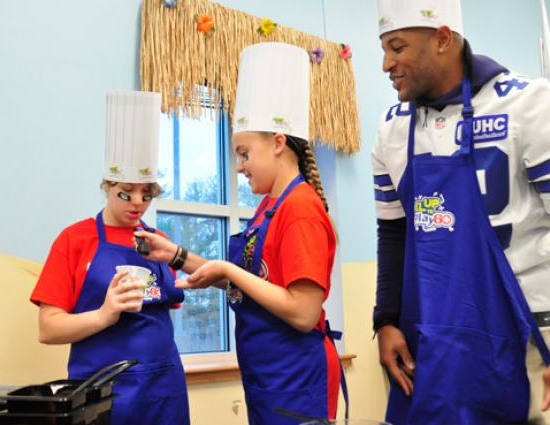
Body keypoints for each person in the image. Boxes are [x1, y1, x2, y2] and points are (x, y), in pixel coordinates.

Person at [370, 1, 550, 424]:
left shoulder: (526, 103)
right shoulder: (391, 129)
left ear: (443, 38)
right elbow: (393, 234)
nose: (386, 64)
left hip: (527, 339)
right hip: (433, 339)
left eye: (397, 47)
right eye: (384, 49)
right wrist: (386, 320)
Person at [136, 42, 343, 424]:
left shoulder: (300, 210)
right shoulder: (269, 207)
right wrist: (175, 255)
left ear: (278, 143)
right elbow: (252, 281)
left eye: (245, 154)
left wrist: (230, 272)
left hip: (296, 375)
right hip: (269, 375)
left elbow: (302, 311)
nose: (239, 167)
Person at [30, 91, 190, 425]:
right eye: (126, 193)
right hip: (101, 394)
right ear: (107, 185)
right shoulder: (75, 239)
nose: (137, 203)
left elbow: (169, 305)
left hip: (164, 391)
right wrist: (104, 315)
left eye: (146, 195)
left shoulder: (156, 241)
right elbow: (48, 328)